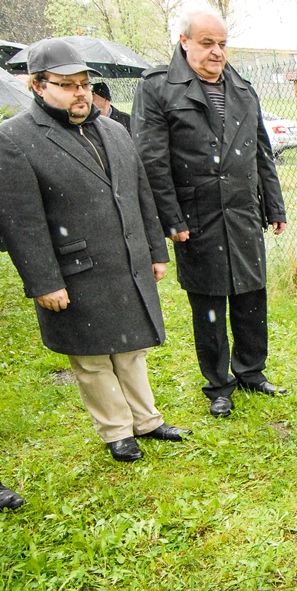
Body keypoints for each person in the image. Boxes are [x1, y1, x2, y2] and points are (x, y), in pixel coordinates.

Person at [0, 38, 192, 463]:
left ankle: (146, 420)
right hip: (74, 270)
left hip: (125, 261)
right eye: (67, 85)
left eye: (84, 83)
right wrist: (44, 282)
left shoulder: (114, 129)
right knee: (91, 358)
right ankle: (117, 431)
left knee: (130, 348)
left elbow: (140, 192)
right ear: (37, 86)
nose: (81, 93)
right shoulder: (14, 139)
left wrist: (155, 250)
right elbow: (22, 223)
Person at [132, 7, 288, 418]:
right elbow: (152, 162)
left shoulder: (242, 88)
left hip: (242, 214)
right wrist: (171, 219)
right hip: (196, 217)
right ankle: (219, 384)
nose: (217, 52)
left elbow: (262, 153)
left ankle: (252, 371)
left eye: (222, 44)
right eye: (207, 43)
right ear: (184, 41)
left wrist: (274, 205)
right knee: (209, 303)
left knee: (252, 297)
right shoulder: (157, 88)